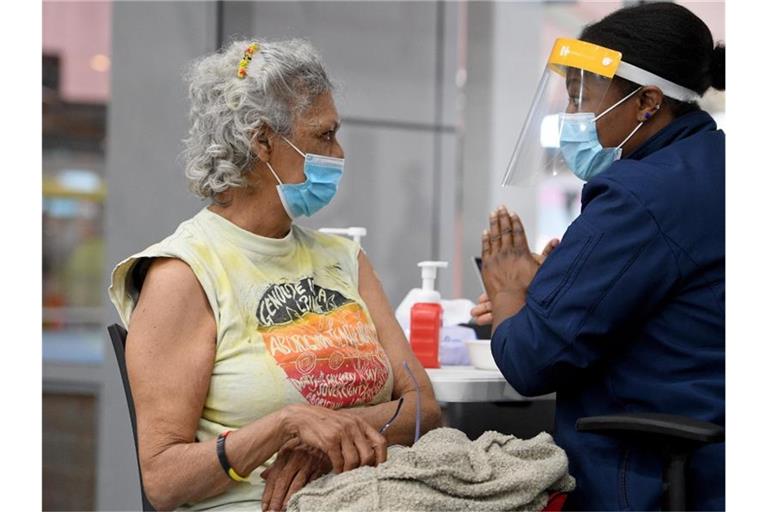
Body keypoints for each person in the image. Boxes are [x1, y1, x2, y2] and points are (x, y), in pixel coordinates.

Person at [108, 38, 441, 511]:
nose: (340, 151)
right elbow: (163, 480)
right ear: (262, 140)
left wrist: (328, 438)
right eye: (324, 135)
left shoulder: (345, 258)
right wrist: (283, 426)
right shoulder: (184, 275)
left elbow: (426, 408)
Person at [471, 3, 724, 510]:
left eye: (583, 96)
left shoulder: (640, 194)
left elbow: (531, 361)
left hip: (648, 473)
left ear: (647, 102)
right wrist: (551, 290)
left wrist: (507, 290)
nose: (572, 116)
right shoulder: (713, 166)